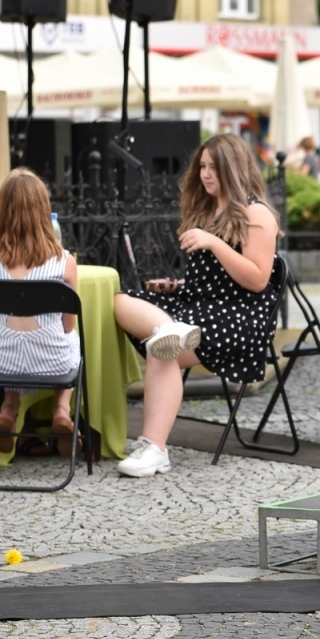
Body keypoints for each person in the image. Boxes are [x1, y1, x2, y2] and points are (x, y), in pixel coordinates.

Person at [112, 133, 281, 477]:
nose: (205, 174)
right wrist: (177, 286)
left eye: (213, 168)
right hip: (196, 307)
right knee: (119, 300)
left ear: (232, 170)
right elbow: (211, 279)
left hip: (237, 316)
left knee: (164, 349)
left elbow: (258, 279)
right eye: (202, 166)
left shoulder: (257, 214)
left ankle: (154, 447)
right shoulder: (206, 209)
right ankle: (168, 329)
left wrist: (213, 244)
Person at [0, 168, 82, 455]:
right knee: (75, 342)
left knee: (11, 337)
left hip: (7, 363)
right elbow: (69, 325)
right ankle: (61, 410)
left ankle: (8, 408)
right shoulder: (64, 262)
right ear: (43, 210)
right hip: (54, 361)